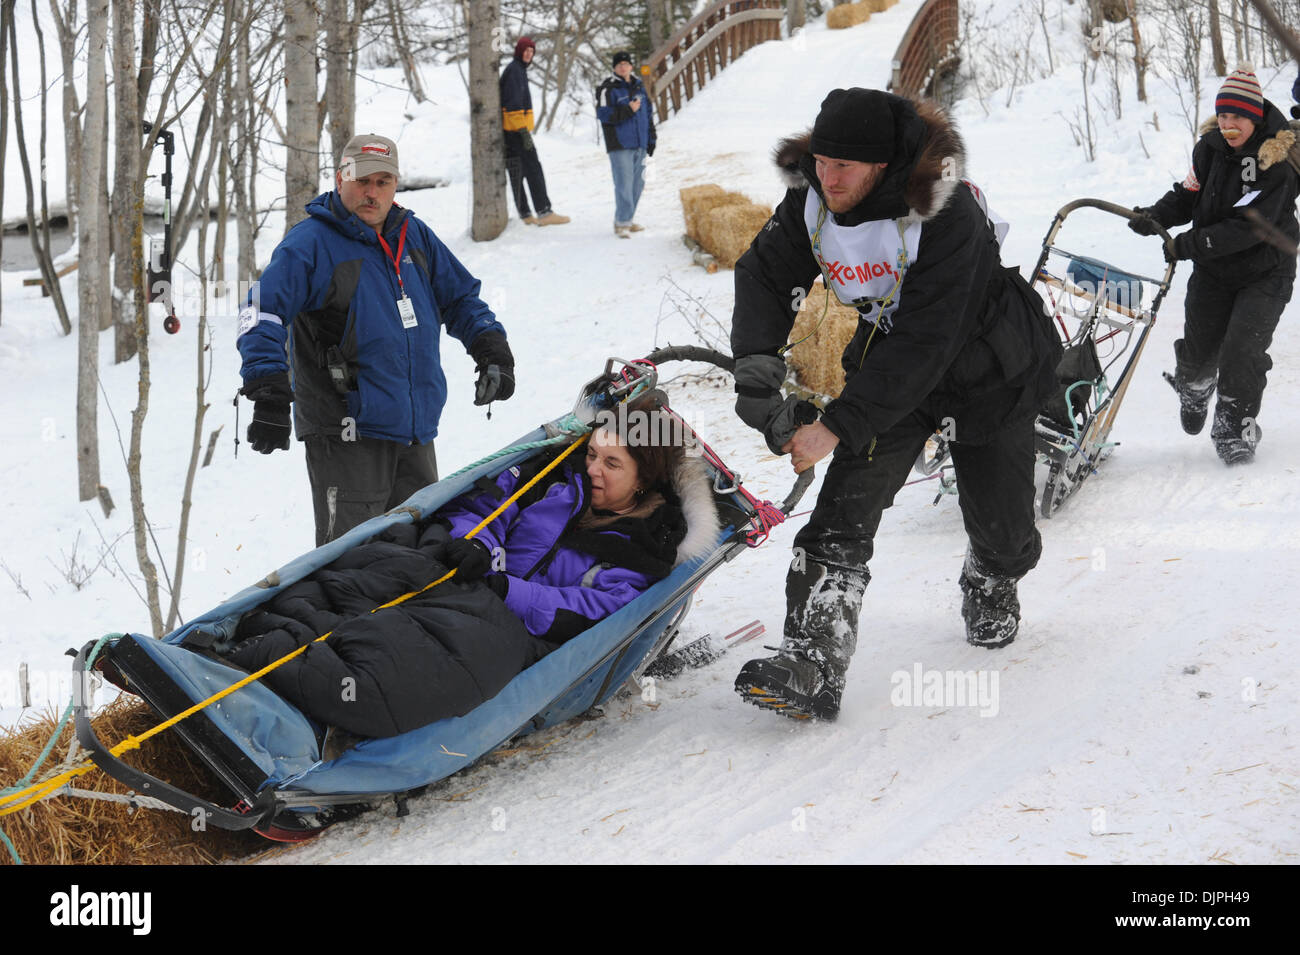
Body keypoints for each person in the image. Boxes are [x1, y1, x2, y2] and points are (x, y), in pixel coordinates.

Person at [728, 88, 1061, 721]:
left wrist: (837, 424)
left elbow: (929, 340)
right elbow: (765, 275)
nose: (828, 179)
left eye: (843, 167)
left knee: (1005, 530)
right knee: (842, 514)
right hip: (888, 366)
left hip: (988, 363)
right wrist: (757, 373)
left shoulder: (944, 208)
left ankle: (992, 575)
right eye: (820, 163)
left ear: (883, 165)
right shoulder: (812, 201)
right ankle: (812, 661)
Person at [225, 414, 717, 740]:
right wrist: (478, 544)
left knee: (404, 664)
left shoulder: (645, 549)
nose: (593, 469)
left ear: (644, 478)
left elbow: (596, 614)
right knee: (379, 569)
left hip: (513, 627)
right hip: (462, 571)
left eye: (612, 464)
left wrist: (509, 590)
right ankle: (254, 637)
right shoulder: (554, 481)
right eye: (592, 454)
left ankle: (288, 680)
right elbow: (485, 505)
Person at [237, 133, 517, 547]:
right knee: (352, 564)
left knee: (421, 552)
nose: (372, 192)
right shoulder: (311, 243)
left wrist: (491, 348)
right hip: (348, 435)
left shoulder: (414, 236)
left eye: (382, 182)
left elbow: (460, 298)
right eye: (361, 180)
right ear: (340, 179)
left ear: (395, 186)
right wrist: (268, 389)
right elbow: (260, 310)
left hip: (415, 432)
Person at [1129, 66, 1299, 465]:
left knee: (1242, 351)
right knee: (1197, 353)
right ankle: (1194, 386)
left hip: (1266, 270)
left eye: (1236, 117)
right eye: (1223, 116)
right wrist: (1155, 216)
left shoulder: (1276, 160)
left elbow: (1252, 226)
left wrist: (1190, 243)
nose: (1228, 125)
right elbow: (1189, 194)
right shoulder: (1208, 148)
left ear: (1254, 116)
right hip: (1215, 271)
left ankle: (1234, 427)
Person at [499, 37, 570, 227]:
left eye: (532, 51)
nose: (529, 54)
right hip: (516, 129)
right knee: (533, 168)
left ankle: (525, 213)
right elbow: (512, 104)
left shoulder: (518, 70)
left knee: (517, 170)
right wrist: (523, 131)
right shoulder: (515, 71)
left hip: (510, 130)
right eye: (526, 50)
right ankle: (544, 211)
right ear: (518, 51)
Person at [597, 51, 656, 238]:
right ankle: (622, 222)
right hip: (620, 143)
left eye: (626, 64)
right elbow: (604, 115)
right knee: (624, 183)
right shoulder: (608, 88)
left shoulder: (639, 86)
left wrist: (651, 139)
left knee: (638, 183)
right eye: (619, 64)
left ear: (631, 66)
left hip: (639, 142)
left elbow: (648, 113)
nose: (623, 67)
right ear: (614, 68)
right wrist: (628, 110)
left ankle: (628, 219)